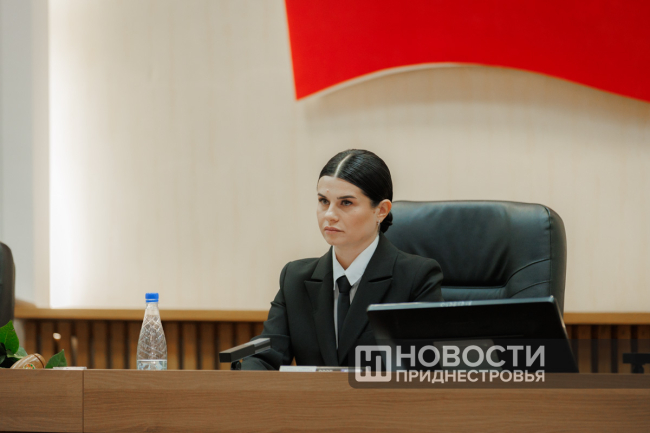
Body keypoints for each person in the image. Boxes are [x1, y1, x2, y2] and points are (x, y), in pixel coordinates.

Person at [241, 149, 443, 370]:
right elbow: (266, 352)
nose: (329, 214)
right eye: (323, 201)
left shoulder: (416, 278)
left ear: (381, 210)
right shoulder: (295, 278)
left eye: (346, 203)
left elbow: (426, 368)